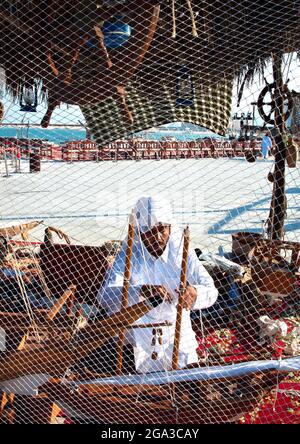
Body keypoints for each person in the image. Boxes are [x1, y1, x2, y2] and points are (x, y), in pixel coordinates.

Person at [97, 195, 218, 374]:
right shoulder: (131, 250)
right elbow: (104, 296)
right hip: (136, 328)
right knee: (123, 375)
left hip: (175, 328)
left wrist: (195, 293)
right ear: (140, 231)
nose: (158, 236)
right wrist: (140, 290)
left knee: (188, 377)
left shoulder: (181, 250)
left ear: (170, 227)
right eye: (150, 231)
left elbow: (211, 290)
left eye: (162, 229)